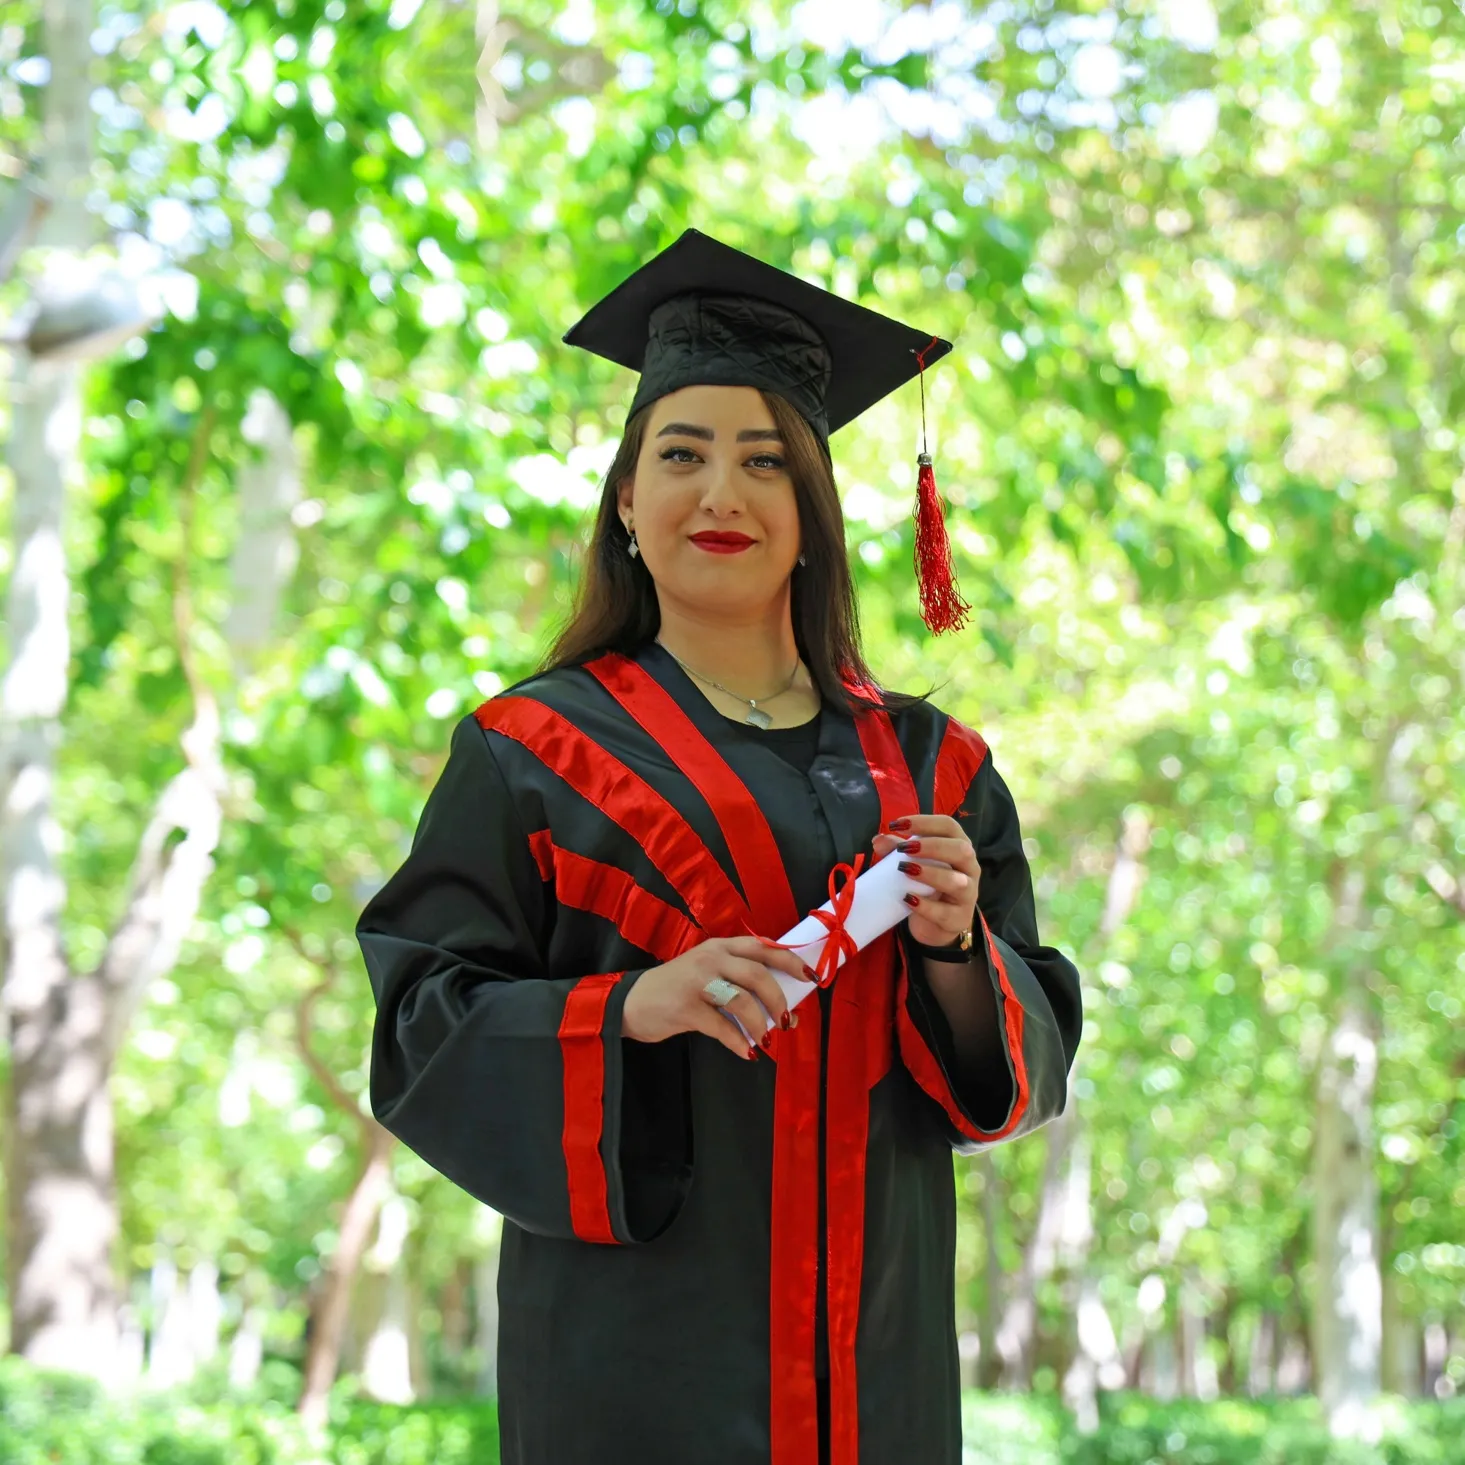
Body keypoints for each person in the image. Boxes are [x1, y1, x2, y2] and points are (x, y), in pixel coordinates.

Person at [356, 229, 1082, 1465]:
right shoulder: (532, 752)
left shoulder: (935, 766)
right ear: (626, 502)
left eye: (765, 460)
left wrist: (957, 949)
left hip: (879, 1369)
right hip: (636, 1374)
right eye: (678, 455)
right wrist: (629, 1008)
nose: (721, 493)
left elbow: (1018, 1061)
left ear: (813, 505)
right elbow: (422, 1025)